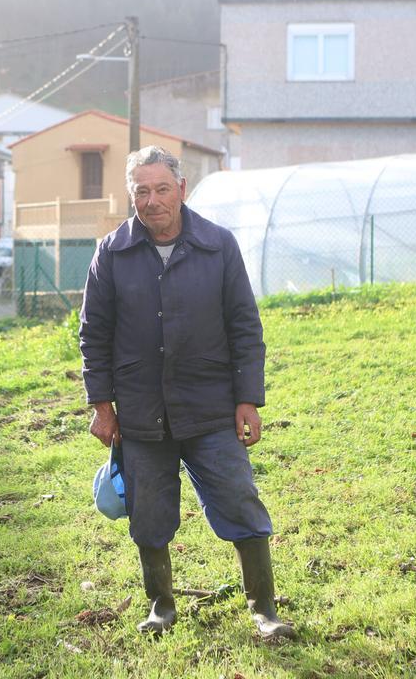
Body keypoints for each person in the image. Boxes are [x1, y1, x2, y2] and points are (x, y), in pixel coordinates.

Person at [79, 145, 295, 639]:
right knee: (148, 514)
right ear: (130, 195)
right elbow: (94, 334)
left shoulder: (218, 246)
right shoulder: (111, 252)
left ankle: (264, 609)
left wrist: (248, 399)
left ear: (181, 190)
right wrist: (101, 406)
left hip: (211, 406)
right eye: (141, 191)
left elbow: (245, 326)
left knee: (240, 501)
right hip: (139, 413)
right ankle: (161, 606)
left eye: (161, 189)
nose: (152, 200)